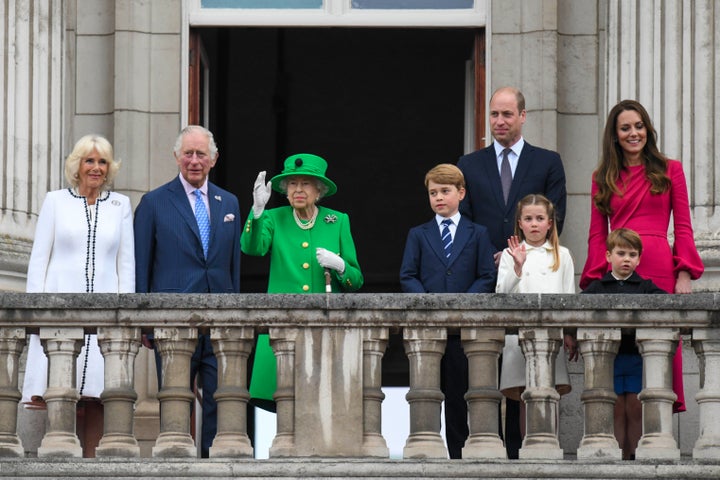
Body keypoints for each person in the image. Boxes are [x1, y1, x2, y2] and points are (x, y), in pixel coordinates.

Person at [457, 86, 567, 458]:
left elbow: (557, 216)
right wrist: (494, 257)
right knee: (480, 367)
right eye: (494, 115)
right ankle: (476, 451)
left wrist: (524, 254)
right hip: (483, 275)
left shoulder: (547, 162)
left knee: (526, 367)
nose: (499, 122)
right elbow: (465, 220)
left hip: (533, 275)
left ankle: (523, 450)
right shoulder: (469, 165)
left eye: (507, 114)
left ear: (523, 116)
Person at [579, 99, 704, 412]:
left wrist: (684, 273)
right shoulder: (601, 176)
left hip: (659, 266)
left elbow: (684, 226)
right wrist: (595, 280)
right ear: (615, 135)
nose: (633, 133)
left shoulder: (670, 169)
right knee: (621, 355)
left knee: (660, 349)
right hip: (618, 269)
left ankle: (658, 432)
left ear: (648, 129)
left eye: (639, 126)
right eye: (625, 128)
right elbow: (597, 234)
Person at [23, 134, 135, 457]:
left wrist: (125, 319)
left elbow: (126, 266)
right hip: (59, 316)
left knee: (99, 397)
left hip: (104, 320)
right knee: (60, 397)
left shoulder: (120, 206)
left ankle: (93, 470)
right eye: (90, 160)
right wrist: (35, 315)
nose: (96, 168)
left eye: (102, 161)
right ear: (77, 165)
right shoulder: (55, 201)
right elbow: (38, 262)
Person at [134, 125, 241, 458]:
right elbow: (142, 266)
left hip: (220, 320)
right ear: (177, 156)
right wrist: (145, 321)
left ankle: (212, 467)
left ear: (214, 159)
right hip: (172, 320)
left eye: (201, 154)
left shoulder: (230, 202)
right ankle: (174, 465)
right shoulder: (153, 203)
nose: (194, 161)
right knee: (175, 399)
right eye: (188, 153)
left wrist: (234, 315)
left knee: (220, 401)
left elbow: (232, 266)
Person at [241, 153, 363, 409]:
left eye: (305, 183)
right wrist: (257, 211)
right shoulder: (274, 217)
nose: (298, 189)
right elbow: (252, 248)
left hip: (325, 328)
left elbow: (356, 280)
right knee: (285, 402)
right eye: (292, 184)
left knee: (325, 404)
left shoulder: (337, 221)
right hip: (284, 326)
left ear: (319, 190)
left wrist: (340, 266)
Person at [399, 164, 496, 459]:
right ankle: (428, 455)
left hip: (463, 330)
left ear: (461, 193)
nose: (439, 197)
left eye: (445, 191)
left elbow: (486, 275)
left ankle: (457, 458)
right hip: (428, 329)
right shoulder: (418, 234)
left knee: (459, 394)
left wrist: (464, 304)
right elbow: (408, 275)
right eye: (433, 193)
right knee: (426, 394)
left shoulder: (478, 233)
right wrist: (428, 304)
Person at [496, 194, 577, 442]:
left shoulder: (562, 255)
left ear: (550, 223)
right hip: (518, 336)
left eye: (540, 218)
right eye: (528, 219)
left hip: (552, 336)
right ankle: (528, 448)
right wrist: (517, 269)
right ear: (519, 223)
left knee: (549, 393)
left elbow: (569, 297)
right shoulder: (510, 254)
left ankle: (549, 444)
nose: (534, 224)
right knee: (524, 396)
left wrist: (569, 333)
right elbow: (502, 295)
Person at [582, 228, 666, 460]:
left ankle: (634, 457)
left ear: (639, 259)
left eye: (632, 254)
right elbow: (576, 309)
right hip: (610, 359)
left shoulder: (645, 287)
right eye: (621, 253)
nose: (626, 259)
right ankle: (618, 456)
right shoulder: (599, 287)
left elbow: (668, 304)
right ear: (608, 256)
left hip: (636, 357)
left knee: (636, 408)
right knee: (615, 408)